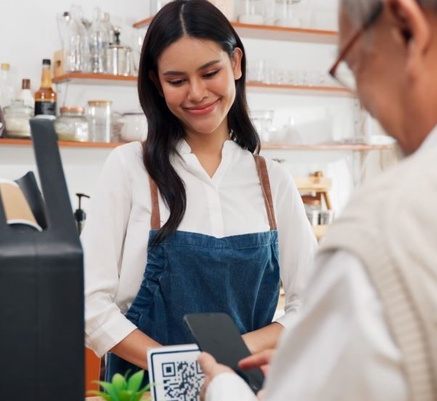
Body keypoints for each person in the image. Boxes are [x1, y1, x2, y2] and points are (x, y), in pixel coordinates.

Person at [199, 0, 437, 399]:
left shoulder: (392, 231)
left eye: (355, 67)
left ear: (406, 27)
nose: (368, 102)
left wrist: (223, 388)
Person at [81, 0, 318, 382]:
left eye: (210, 73)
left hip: (243, 387)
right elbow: (89, 304)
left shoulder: (273, 181)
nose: (196, 93)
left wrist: (228, 356)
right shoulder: (129, 168)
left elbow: (313, 306)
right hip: (145, 387)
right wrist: (178, 368)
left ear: (236, 64)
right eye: (176, 80)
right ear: (157, 84)